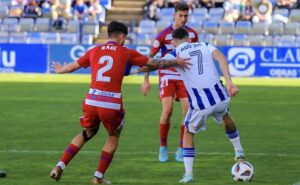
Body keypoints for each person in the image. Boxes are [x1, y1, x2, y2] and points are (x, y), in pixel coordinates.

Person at [49, 21, 190, 184]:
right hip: (111, 102)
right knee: (113, 135)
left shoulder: (94, 50)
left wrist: (61, 69)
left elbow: (72, 66)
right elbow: (154, 63)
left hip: (91, 100)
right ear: (122, 36)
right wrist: (176, 61)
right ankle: (98, 176)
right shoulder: (126, 52)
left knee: (87, 133)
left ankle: (59, 166)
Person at [137, 27, 246, 183]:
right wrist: (229, 82)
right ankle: (239, 150)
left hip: (201, 103)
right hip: (221, 96)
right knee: (225, 116)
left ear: (174, 42)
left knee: (188, 132)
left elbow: (158, 64)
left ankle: (188, 174)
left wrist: (138, 69)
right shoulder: (205, 45)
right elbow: (221, 57)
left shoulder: (175, 53)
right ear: (189, 38)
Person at [141, 1, 198, 163]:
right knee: (167, 110)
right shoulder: (163, 35)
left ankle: (181, 148)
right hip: (166, 74)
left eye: (186, 16)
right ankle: (163, 148)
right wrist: (146, 79)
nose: (184, 19)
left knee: (187, 113)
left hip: (185, 77)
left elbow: (194, 56)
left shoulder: (192, 35)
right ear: (174, 15)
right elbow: (150, 58)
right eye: (181, 15)